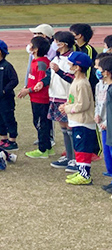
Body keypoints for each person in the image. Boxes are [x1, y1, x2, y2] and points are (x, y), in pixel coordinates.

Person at [61, 52, 97, 185]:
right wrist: (67, 105)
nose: (68, 65)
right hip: (76, 120)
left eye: (70, 63)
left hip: (83, 122)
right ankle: (80, 170)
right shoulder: (76, 81)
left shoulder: (82, 83)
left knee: (83, 148)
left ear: (77, 67)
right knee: (78, 147)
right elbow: (75, 100)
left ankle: (85, 175)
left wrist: (68, 108)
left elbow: (83, 104)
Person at [48, 31, 77, 172]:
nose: (54, 44)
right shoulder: (56, 58)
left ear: (63, 43)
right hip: (54, 96)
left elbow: (73, 79)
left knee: (71, 128)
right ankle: (68, 156)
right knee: (63, 129)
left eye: (56, 41)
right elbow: (50, 76)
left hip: (66, 97)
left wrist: (59, 71)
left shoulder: (71, 59)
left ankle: (75, 159)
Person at [21, 36, 54, 159]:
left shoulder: (41, 63)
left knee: (41, 123)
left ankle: (43, 149)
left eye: (31, 44)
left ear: (35, 49)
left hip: (41, 99)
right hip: (35, 98)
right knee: (41, 122)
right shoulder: (36, 61)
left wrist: (27, 90)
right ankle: (48, 147)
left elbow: (40, 83)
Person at [93, 53, 112, 190]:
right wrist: (97, 116)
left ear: (106, 72)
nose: (96, 70)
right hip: (105, 126)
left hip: (109, 125)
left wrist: (106, 121)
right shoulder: (100, 86)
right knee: (107, 153)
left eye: (98, 67)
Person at [70, 23, 98, 91]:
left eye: (72, 33)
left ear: (79, 36)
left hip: (88, 82)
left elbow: (88, 67)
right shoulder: (74, 47)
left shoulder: (88, 49)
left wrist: (86, 83)